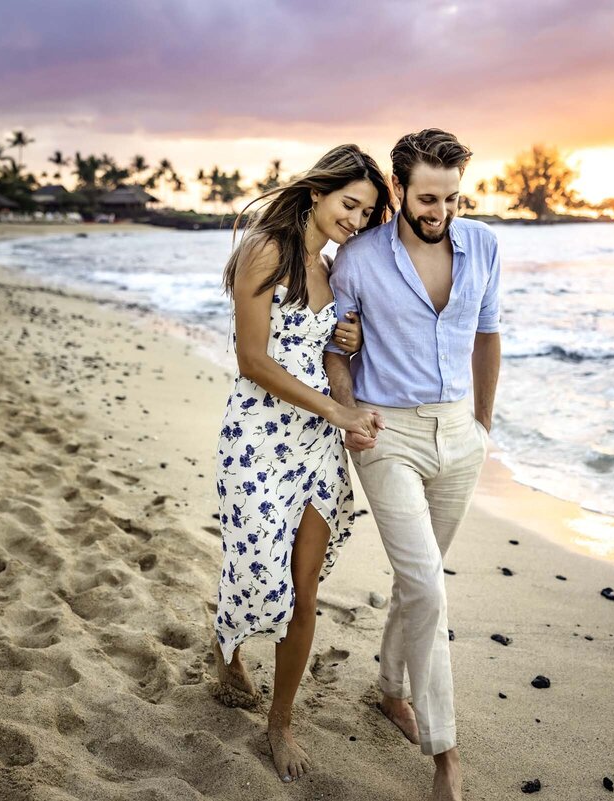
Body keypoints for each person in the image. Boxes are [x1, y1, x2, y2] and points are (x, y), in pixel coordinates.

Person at [322, 129, 501, 801]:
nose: (441, 211)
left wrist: (483, 425)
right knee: (427, 583)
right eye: (428, 197)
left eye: (452, 197)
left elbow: (488, 333)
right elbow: (337, 343)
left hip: (459, 435)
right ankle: (446, 755)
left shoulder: (482, 245)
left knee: (417, 581)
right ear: (398, 188)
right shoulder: (358, 258)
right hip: (384, 432)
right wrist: (344, 406)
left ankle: (391, 689)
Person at [212, 144, 394, 782]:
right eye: (350, 204)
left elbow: (321, 353)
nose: (357, 220)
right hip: (259, 442)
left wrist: (349, 340)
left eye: (369, 213)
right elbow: (253, 361)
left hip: (314, 448)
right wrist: (339, 413)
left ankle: (280, 721)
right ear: (317, 192)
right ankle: (226, 646)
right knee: (254, 568)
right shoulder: (268, 250)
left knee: (303, 590)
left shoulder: (332, 266)